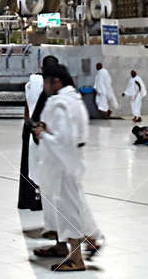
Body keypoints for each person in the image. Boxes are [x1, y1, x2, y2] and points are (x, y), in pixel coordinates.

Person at [32, 63, 101, 271]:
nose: (44, 86)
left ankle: (76, 258)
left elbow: (64, 140)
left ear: (56, 82)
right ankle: (63, 247)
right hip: (67, 162)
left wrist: (42, 133)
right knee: (65, 206)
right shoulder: (72, 99)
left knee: (68, 209)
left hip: (63, 164)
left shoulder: (61, 103)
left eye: (46, 81)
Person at [20, 63, 47, 211]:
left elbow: (25, 112)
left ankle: (29, 197)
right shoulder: (47, 88)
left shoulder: (29, 87)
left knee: (29, 164)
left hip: (29, 127)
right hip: (42, 128)